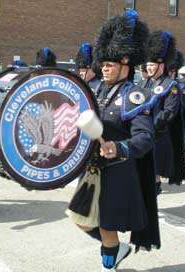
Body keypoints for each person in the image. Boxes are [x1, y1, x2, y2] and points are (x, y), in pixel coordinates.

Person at [68, 10, 160, 272]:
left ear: (126, 64)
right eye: (103, 64)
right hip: (93, 170)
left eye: (110, 64)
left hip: (118, 172)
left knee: (107, 225)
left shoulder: (135, 96)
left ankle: (108, 265)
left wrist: (118, 147)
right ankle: (117, 248)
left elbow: (145, 138)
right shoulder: (96, 90)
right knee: (82, 219)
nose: (104, 68)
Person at [138, 30, 185, 191]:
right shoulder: (143, 84)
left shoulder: (170, 85)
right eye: (148, 64)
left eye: (153, 65)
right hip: (140, 133)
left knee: (153, 173)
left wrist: (151, 123)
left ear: (162, 65)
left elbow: (169, 112)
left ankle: (152, 202)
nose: (149, 68)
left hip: (157, 135)